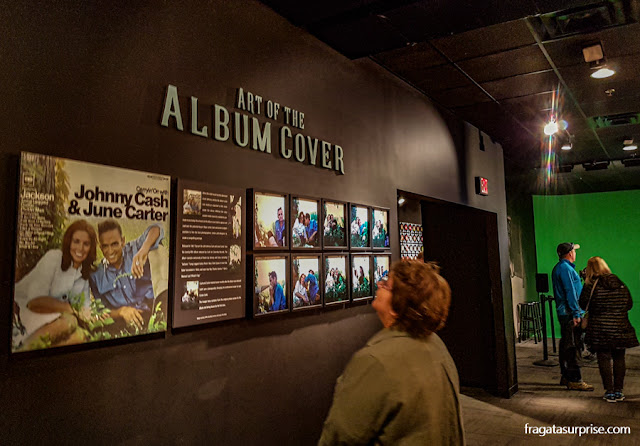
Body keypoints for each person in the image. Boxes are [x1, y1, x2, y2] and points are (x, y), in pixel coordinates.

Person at [319, 261, 464, 445]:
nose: (379, 285)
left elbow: (340, 437)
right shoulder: (436, 344)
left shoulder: (375, 361)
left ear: (397, 306)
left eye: (386, 285)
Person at [13, 219, 98, 350]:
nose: (80, 248)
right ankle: (24, 348)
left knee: (80, 336)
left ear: (91, 247)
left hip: (53, 316)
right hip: (23, 309)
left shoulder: (83, 276)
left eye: (86, 244)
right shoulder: (54, 258)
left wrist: (94, 316)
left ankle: (34, 356)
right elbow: (34, 302)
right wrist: (72, 310)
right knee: (70, 321)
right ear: (68, 241)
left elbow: (86, 312)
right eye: (76, 241)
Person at [578, 257, 638, 402]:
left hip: (600, 329)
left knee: (604, 359)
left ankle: (609, 391)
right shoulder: (619, 282)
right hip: (620, 327)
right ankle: (619, 391)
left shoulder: (591, 285)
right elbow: (629, 304)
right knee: (619, 358)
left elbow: (582, 304)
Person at [90, 219, 164, 332]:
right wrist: (121, 311)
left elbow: (157, 228)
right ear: (101, 247)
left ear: (123, 241)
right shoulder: (96, 275)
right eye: (105, 246)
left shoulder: (133, 249)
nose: (110, 251)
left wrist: (143, 251)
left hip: (153, 310)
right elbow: (102, 312)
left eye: (114, 244)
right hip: (125, 323)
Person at [551, 242, 593, 391]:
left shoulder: (560, 268)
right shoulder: (565, 269)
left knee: (566, 345)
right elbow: (571, 293)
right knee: (573, 347)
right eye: (574, 251)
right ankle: (575, 379)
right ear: (569, 253)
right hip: (570, 314)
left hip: (566, 313)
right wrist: (576, 313)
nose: (575, 253)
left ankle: (566, 376)